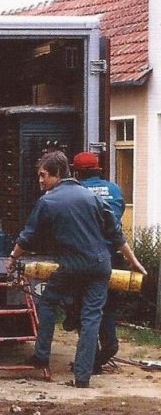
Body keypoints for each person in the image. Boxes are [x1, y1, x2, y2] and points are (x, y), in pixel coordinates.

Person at [4, 151, 146, 388]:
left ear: (58, 174)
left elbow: (28, 236)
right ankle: (82, 377)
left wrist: (12, 259)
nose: (40, 181)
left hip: (73, 265)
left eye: (43, 176)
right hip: (101, 265)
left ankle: (41, 355)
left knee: (48, 301)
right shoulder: (90, 197)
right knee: (92, 317)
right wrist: (133, 261)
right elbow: (114, 231)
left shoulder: (48, 201)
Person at [71, 151, 126, 370]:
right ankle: (110, 345)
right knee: (107, 304)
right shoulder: (114, 189)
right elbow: (115, 221)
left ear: (76, 172)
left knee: (85, 307)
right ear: (98, 169)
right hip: (111, 257)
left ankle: (89, 360)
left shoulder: (77, 192)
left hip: (83, 257)